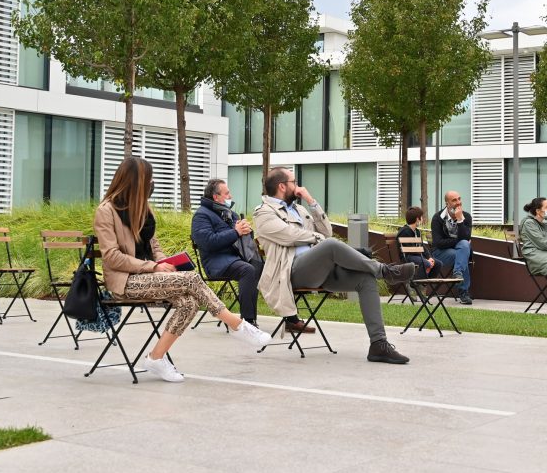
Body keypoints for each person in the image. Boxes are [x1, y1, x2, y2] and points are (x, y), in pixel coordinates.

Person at [95, 157, 271, 383]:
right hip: (125, 282)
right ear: (135, 181)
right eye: (149, 179)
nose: (152, 184)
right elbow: (111, 256)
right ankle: (238, 326)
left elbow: (154, 247)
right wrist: (154, 267)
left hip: (149, 276)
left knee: (189, 302)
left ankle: (156, 358)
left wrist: (163, 264)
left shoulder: (144, 209)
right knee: (191, 279)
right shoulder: (106, 211)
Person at [255, 167, 415, 364]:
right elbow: (290, 236)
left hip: (322, 270)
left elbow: (327, 231)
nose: (297, 186)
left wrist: (311, 202)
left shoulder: (300, 210)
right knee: (330, 245)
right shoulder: (264, 213)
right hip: (291, 272)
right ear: (282, 186)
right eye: (294, 182)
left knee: (366, 279)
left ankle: (378, 345)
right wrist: (319, 239)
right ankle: (385, 271)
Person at [191, 178, 263, 327]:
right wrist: (235, 232)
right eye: (227, 193)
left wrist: (246, 231)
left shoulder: (230, 214)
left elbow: (241, 238)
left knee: (259, 265)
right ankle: (248, 322)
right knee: (247, 270)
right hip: (216, 262)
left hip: (234, 258)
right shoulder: (201, 215)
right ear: (216, 197)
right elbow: (208, 242)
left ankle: (282, 317)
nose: (230, 196)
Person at [430, 191, 473, 304]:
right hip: (440, 252)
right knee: (462, 253)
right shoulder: (438, 218)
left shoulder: (466, 217)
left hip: (459, 250)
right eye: (454, 200)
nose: (458, 202)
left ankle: (457, 273)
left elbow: (466, 238)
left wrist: (460, 220)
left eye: (459, 199)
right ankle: (463, 292)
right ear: (447, 204)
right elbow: (439, 243)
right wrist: (458, 241)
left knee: (464, 246)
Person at [397, 206, 442, 280]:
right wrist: (425, 260)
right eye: (421, 217)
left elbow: (422, 247)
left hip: (417, 256)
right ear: (417, 219)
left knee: (438, 264)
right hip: (407, 257)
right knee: (425, 263)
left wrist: (429, 257)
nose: (422, 219)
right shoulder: (404, 232)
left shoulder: (417, 232)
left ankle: (427, 282)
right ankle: (417, 283)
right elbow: (409, 251)